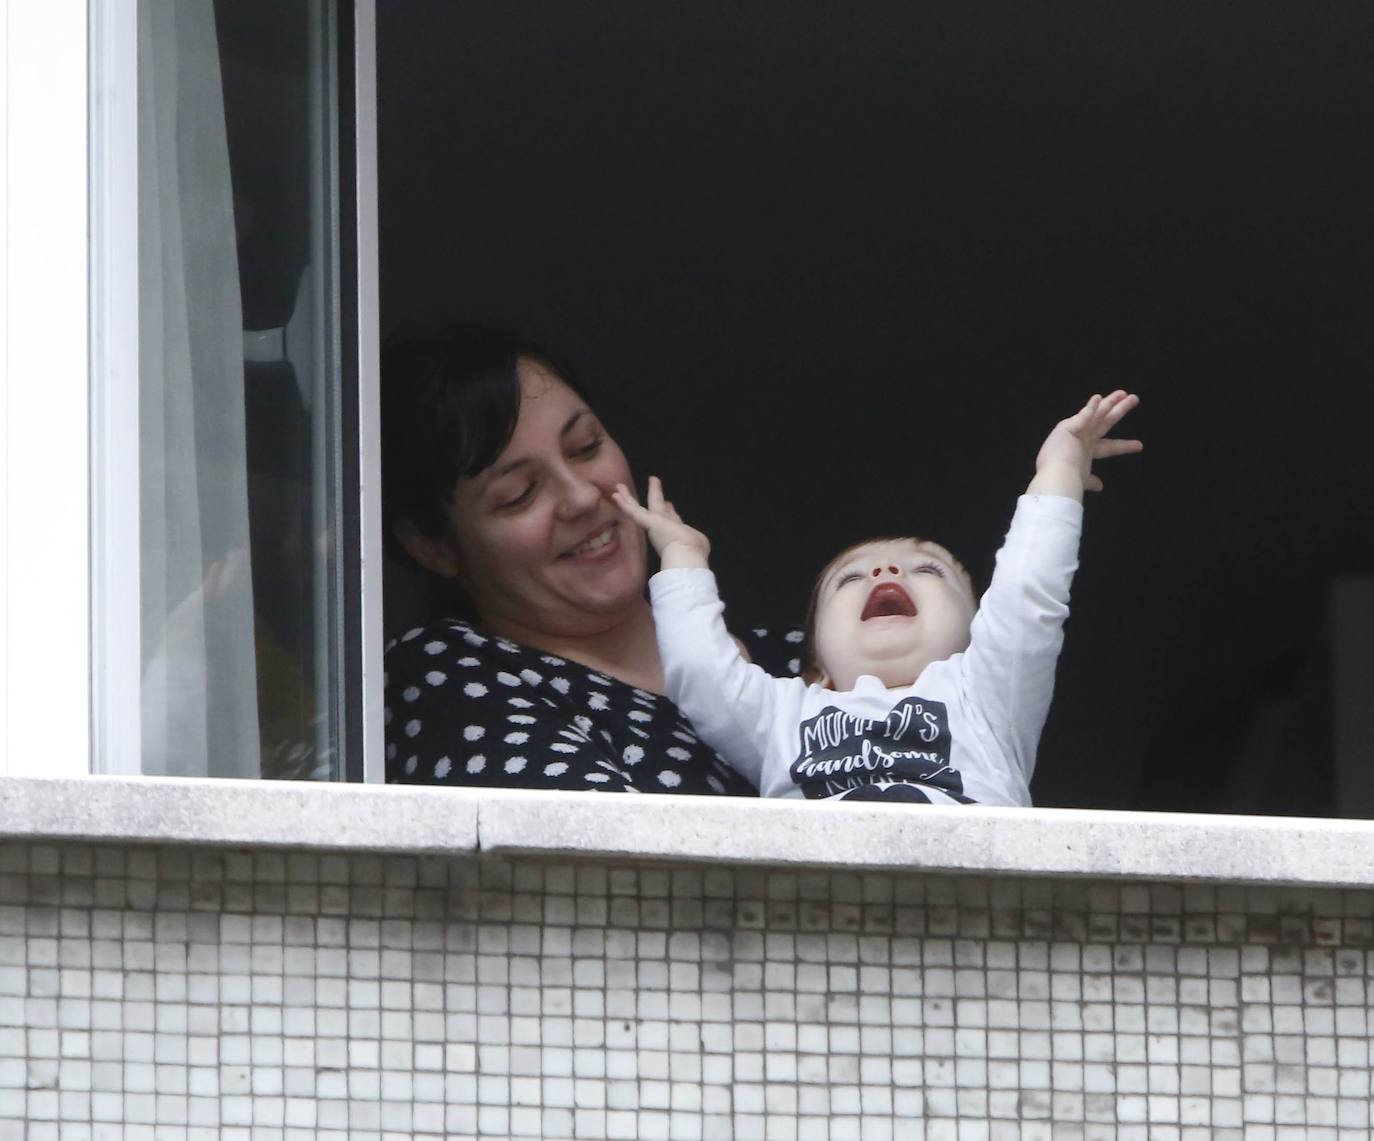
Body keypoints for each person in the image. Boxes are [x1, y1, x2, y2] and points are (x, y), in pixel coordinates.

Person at [611, 391, 1142, 804]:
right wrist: (682, 556)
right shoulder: (782, 716)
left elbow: (1028, 593)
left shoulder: (984, 697)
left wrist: (1059, 473)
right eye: (849, 579)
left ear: (979, 637)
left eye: (927, 570)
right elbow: (700, 670)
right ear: (814, 668)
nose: (885, 571)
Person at [381, 326, 798, 793]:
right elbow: (608, 859)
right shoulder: (449, 678)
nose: (580, 497)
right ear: (432, 546)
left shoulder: (815, 658)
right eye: (518, 495)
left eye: (586, 447)